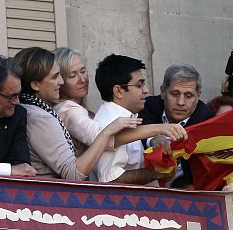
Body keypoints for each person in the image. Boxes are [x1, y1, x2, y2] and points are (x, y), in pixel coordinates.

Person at [12, 47, 128, 180]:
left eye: (83, 71)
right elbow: (74, 174)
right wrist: (106, 133)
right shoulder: (41, 117)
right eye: (56, 77)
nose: (60, 82)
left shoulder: (34, 109)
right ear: (35, 84)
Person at [52, 47, 185, 159]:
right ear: (60, 81)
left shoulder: (86, 111)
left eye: (83, 71)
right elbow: (101, 137)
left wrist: (154, 138)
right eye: (72, 75)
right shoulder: (67, 109)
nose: (82, 79)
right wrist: (159, 128)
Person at [91, 54, 186, 184]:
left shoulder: (123, 116)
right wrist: (156, 173)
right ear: (118, 91)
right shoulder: (110, 122)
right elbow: (110, 180)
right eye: (139, 85)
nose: (146, 90)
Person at [140, 64, 213, 186]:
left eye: (188, 96)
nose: (181, 102)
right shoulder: (146, 107)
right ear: (163, 91)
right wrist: (153, 139)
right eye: (175, 94)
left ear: (198, 96)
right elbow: (136, 133)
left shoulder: (207, 121)